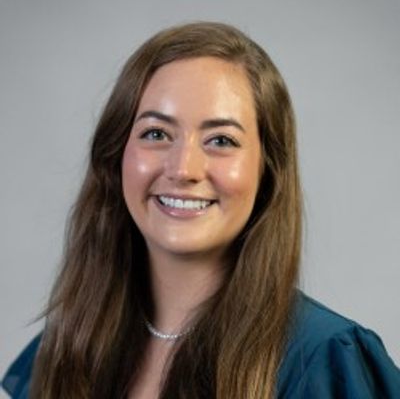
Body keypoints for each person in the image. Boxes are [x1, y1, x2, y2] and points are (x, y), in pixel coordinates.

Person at [2, 22, 400, 399]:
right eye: (156, 133)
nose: (183, 169)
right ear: (116, 154)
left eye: (221, 140)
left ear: (267, 169)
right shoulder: (65, 346)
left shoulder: (324, 361)